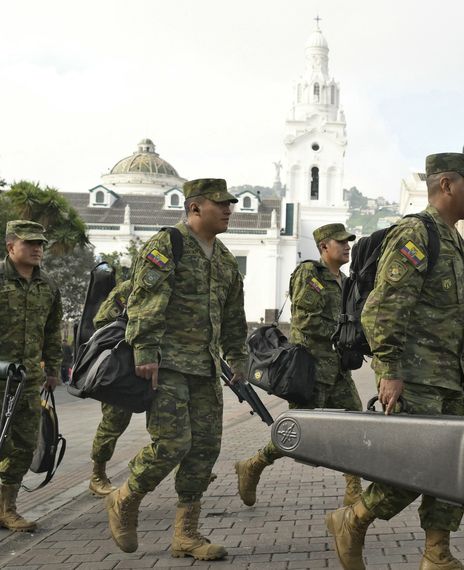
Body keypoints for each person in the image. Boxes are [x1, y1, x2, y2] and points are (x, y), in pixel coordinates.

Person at [326, 153, 464, 570]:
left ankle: (437, 554)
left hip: (447, 378)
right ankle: (353, 519)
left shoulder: (454, 242)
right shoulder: (417, 234)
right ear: (447, 185)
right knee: (415, 468)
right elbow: (383, 309)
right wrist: (390, 371)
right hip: (414, 377)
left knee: (455, 469)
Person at [105, 178, 248, 560]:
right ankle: (125, 496)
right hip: (166, 364)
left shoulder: (224, 258)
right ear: (195, 207)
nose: (229, 209)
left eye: (230, 204)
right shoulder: (168, 243)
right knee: (172, 444)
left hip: (206, 366)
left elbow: (233, 315)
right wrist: (145, 350)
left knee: (204, 449)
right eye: (221, 204)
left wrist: (239, 355)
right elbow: (146, 300)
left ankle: (185, 534)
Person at [235, 222, 363, 508]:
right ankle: (253, 465)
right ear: (323, 247)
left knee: (357, 425)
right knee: (298, 432)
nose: (347, 246)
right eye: (340, 242)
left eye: (348, 242)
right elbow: (306, 321)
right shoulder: (310, 273)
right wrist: (345, 332)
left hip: (339, 370)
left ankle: (353, 490)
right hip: (311, 371)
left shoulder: (345, 281)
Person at [0, 221, 62, 532]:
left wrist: (52, 370)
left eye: (41, 244)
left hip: (26, 382)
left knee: (23, 445)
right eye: (30, 243)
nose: (38, 249)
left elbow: (52, 332)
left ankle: (7, 508)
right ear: (11, 246)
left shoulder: (48, 286)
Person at [87, 279, 134, 496]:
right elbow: (101, 321)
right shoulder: (128, 288)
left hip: (162, 364)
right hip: (125, 367)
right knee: (114, 421)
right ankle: (98, 474)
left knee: (171, 420)